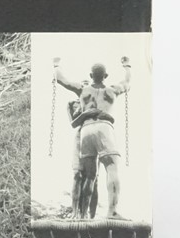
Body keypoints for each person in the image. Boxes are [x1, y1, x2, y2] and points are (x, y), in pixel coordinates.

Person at [54, 55, 132, 219]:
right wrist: (127, 66)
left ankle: (82, 216)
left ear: (90, 76)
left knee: (89, 177)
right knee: (111, 168)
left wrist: (56, 65)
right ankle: (112, 211)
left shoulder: (83, 90)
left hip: (86, 130)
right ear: (106, 76)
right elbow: (127, 82)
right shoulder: (112, 90)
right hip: (104, 127)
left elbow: (61, 80)